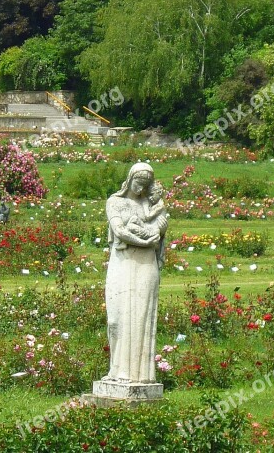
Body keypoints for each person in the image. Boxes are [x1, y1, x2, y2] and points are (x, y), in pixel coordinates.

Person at [103, 163, 167, 384]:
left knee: (140, 317)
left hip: (145, 264)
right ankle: (117, 369)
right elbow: (119, 230)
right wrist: (144, 240)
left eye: (145, 184)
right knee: (116, 319)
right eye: (138, 182)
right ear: (129, 180)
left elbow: (160, 230)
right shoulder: (115, 202)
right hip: (123, 262)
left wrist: (156, 233)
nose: (141, 188)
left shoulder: (151, 205)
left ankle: (138, 376)